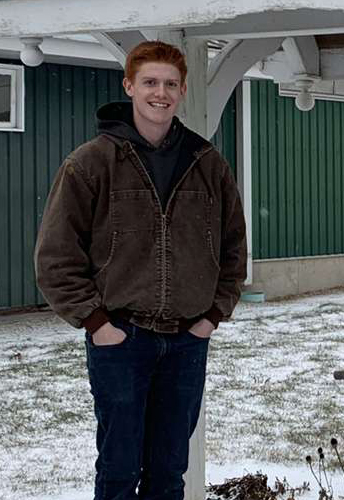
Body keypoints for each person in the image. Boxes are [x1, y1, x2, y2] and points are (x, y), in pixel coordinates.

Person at [34, 40, 247, 500]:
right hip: (121, 340)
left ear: (183, 90)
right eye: (149, 82)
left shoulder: (206, 162)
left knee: (169, 471)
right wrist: (97, 323)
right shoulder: (91, 163)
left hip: (187, 341)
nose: (160, 93)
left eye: (170, 84)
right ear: (129, 85)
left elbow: (233, 249)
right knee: (118, 468)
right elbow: (55, 257)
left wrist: (212, 316)